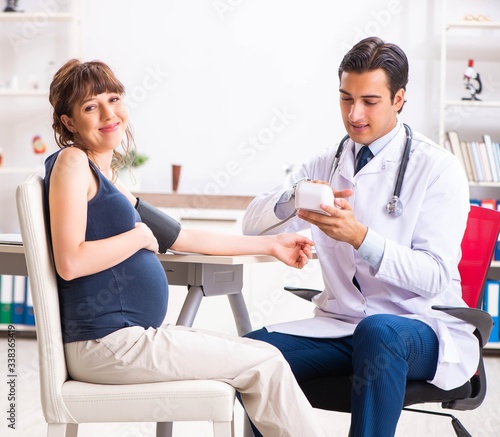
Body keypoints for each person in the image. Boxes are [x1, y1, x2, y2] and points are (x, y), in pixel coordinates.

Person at [44, 58, 330, 437]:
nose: (108, 113)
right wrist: (139, 238)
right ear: (68, 122)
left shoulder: (106, 182)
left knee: (263, 358)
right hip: (109, 345)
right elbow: (69, 261)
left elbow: (182, 237)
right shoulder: (72, 162)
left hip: (125, 340)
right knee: (265, 363)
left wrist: (271, 243)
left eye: (113, 99)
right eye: (90, 107)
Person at [242, 36, 479, 437]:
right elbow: (251, 225)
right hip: (342, 325)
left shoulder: (438, 169)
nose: (354, 114)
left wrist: (360, 238)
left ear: (399, 98)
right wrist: (294, 198)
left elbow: (436, 276)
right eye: (345, 99)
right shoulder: (326, 163)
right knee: (245, 356)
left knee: (379, 330)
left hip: (420, 327)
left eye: (370, 101)